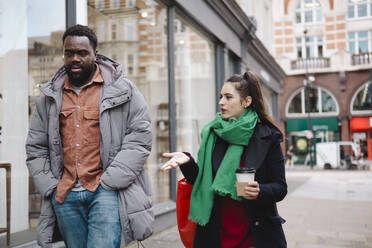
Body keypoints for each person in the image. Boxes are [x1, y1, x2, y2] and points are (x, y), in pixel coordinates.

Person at [25, 25, 153, 248]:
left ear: (95, 53)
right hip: (65, 194)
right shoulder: (48, 97)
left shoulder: (123, 89)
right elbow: (35, 147)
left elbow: (140, 136)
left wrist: (110, 181)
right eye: (69, 53)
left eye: (82, 53)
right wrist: (51, 187)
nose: (75, 58)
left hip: (104, 191)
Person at [161, 71, 287, 248]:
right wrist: (187, 162)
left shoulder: (268, 136)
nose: (221, 102)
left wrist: (260, 190)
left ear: (246, 101)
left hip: (255, 234)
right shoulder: (214, 133)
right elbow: (203, 181)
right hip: (216, 233)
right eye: (221, 97)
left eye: (228, 97)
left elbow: (280, 187)